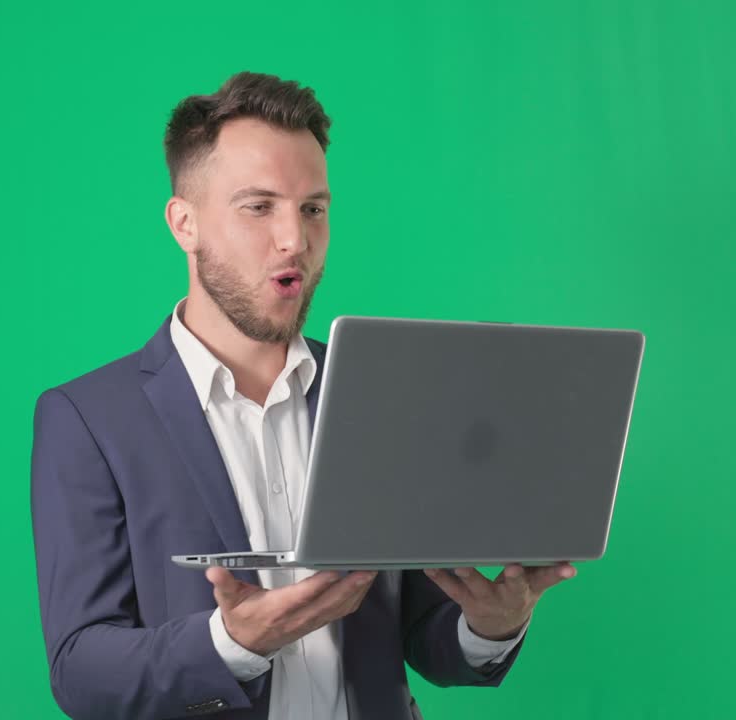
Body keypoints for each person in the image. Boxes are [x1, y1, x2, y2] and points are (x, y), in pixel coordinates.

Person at [29, 71, 577, 720]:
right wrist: (232, 642)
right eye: (258, 207)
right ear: (185, 224)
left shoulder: (382, 396)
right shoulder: (89, 419)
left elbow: (421, 635)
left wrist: (488, 626)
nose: (295, 239)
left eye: (312, 208)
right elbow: (81, 671)